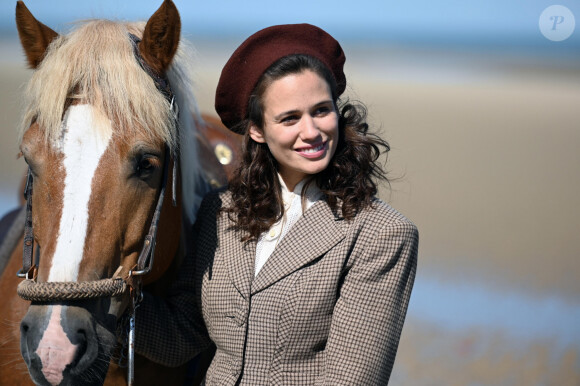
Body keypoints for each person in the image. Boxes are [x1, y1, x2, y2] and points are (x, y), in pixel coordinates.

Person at [136, 23, 418, 385]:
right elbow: (180, 337)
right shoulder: (220, 212)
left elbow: (350, 379)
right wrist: (99, 298)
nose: (312, 132)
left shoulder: (380, 234)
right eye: (289, 118)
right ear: (256, 130)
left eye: (321, 110)